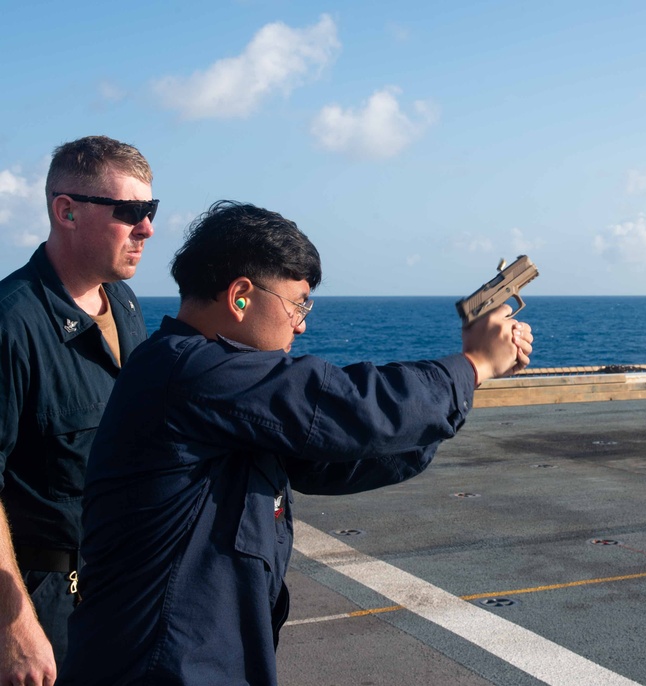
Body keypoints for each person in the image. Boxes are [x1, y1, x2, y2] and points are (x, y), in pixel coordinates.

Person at [58, 200, 532, 685]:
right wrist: (472, 365)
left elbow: (334, 456)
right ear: (241, 295)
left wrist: (452, 397)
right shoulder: (190, 372)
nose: (301, 324)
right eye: (297, 302)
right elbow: (348, 408)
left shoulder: (208, 387)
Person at [0, 136, 155, 685]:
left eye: (150, 210)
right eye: (130, 212)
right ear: (65, 210)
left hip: (116, 584)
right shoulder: (12, 324)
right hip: (42, 600)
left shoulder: (125, 304)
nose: (147, 229)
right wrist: (14, 630)